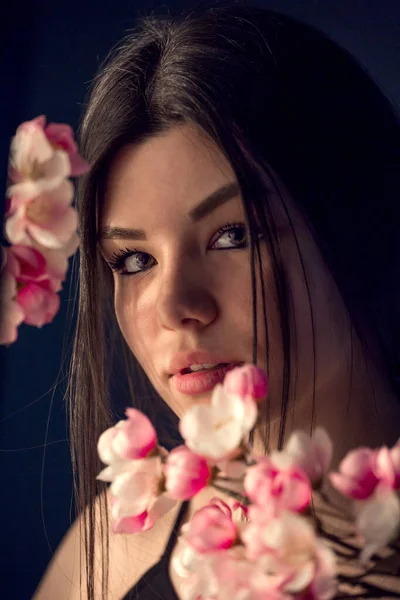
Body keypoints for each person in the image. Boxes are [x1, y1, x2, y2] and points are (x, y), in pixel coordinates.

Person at [33, 3, 400, 599]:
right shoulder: (124, 535)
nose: (175, 304)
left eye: (234, 235)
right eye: (134, 261)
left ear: (359, 223)